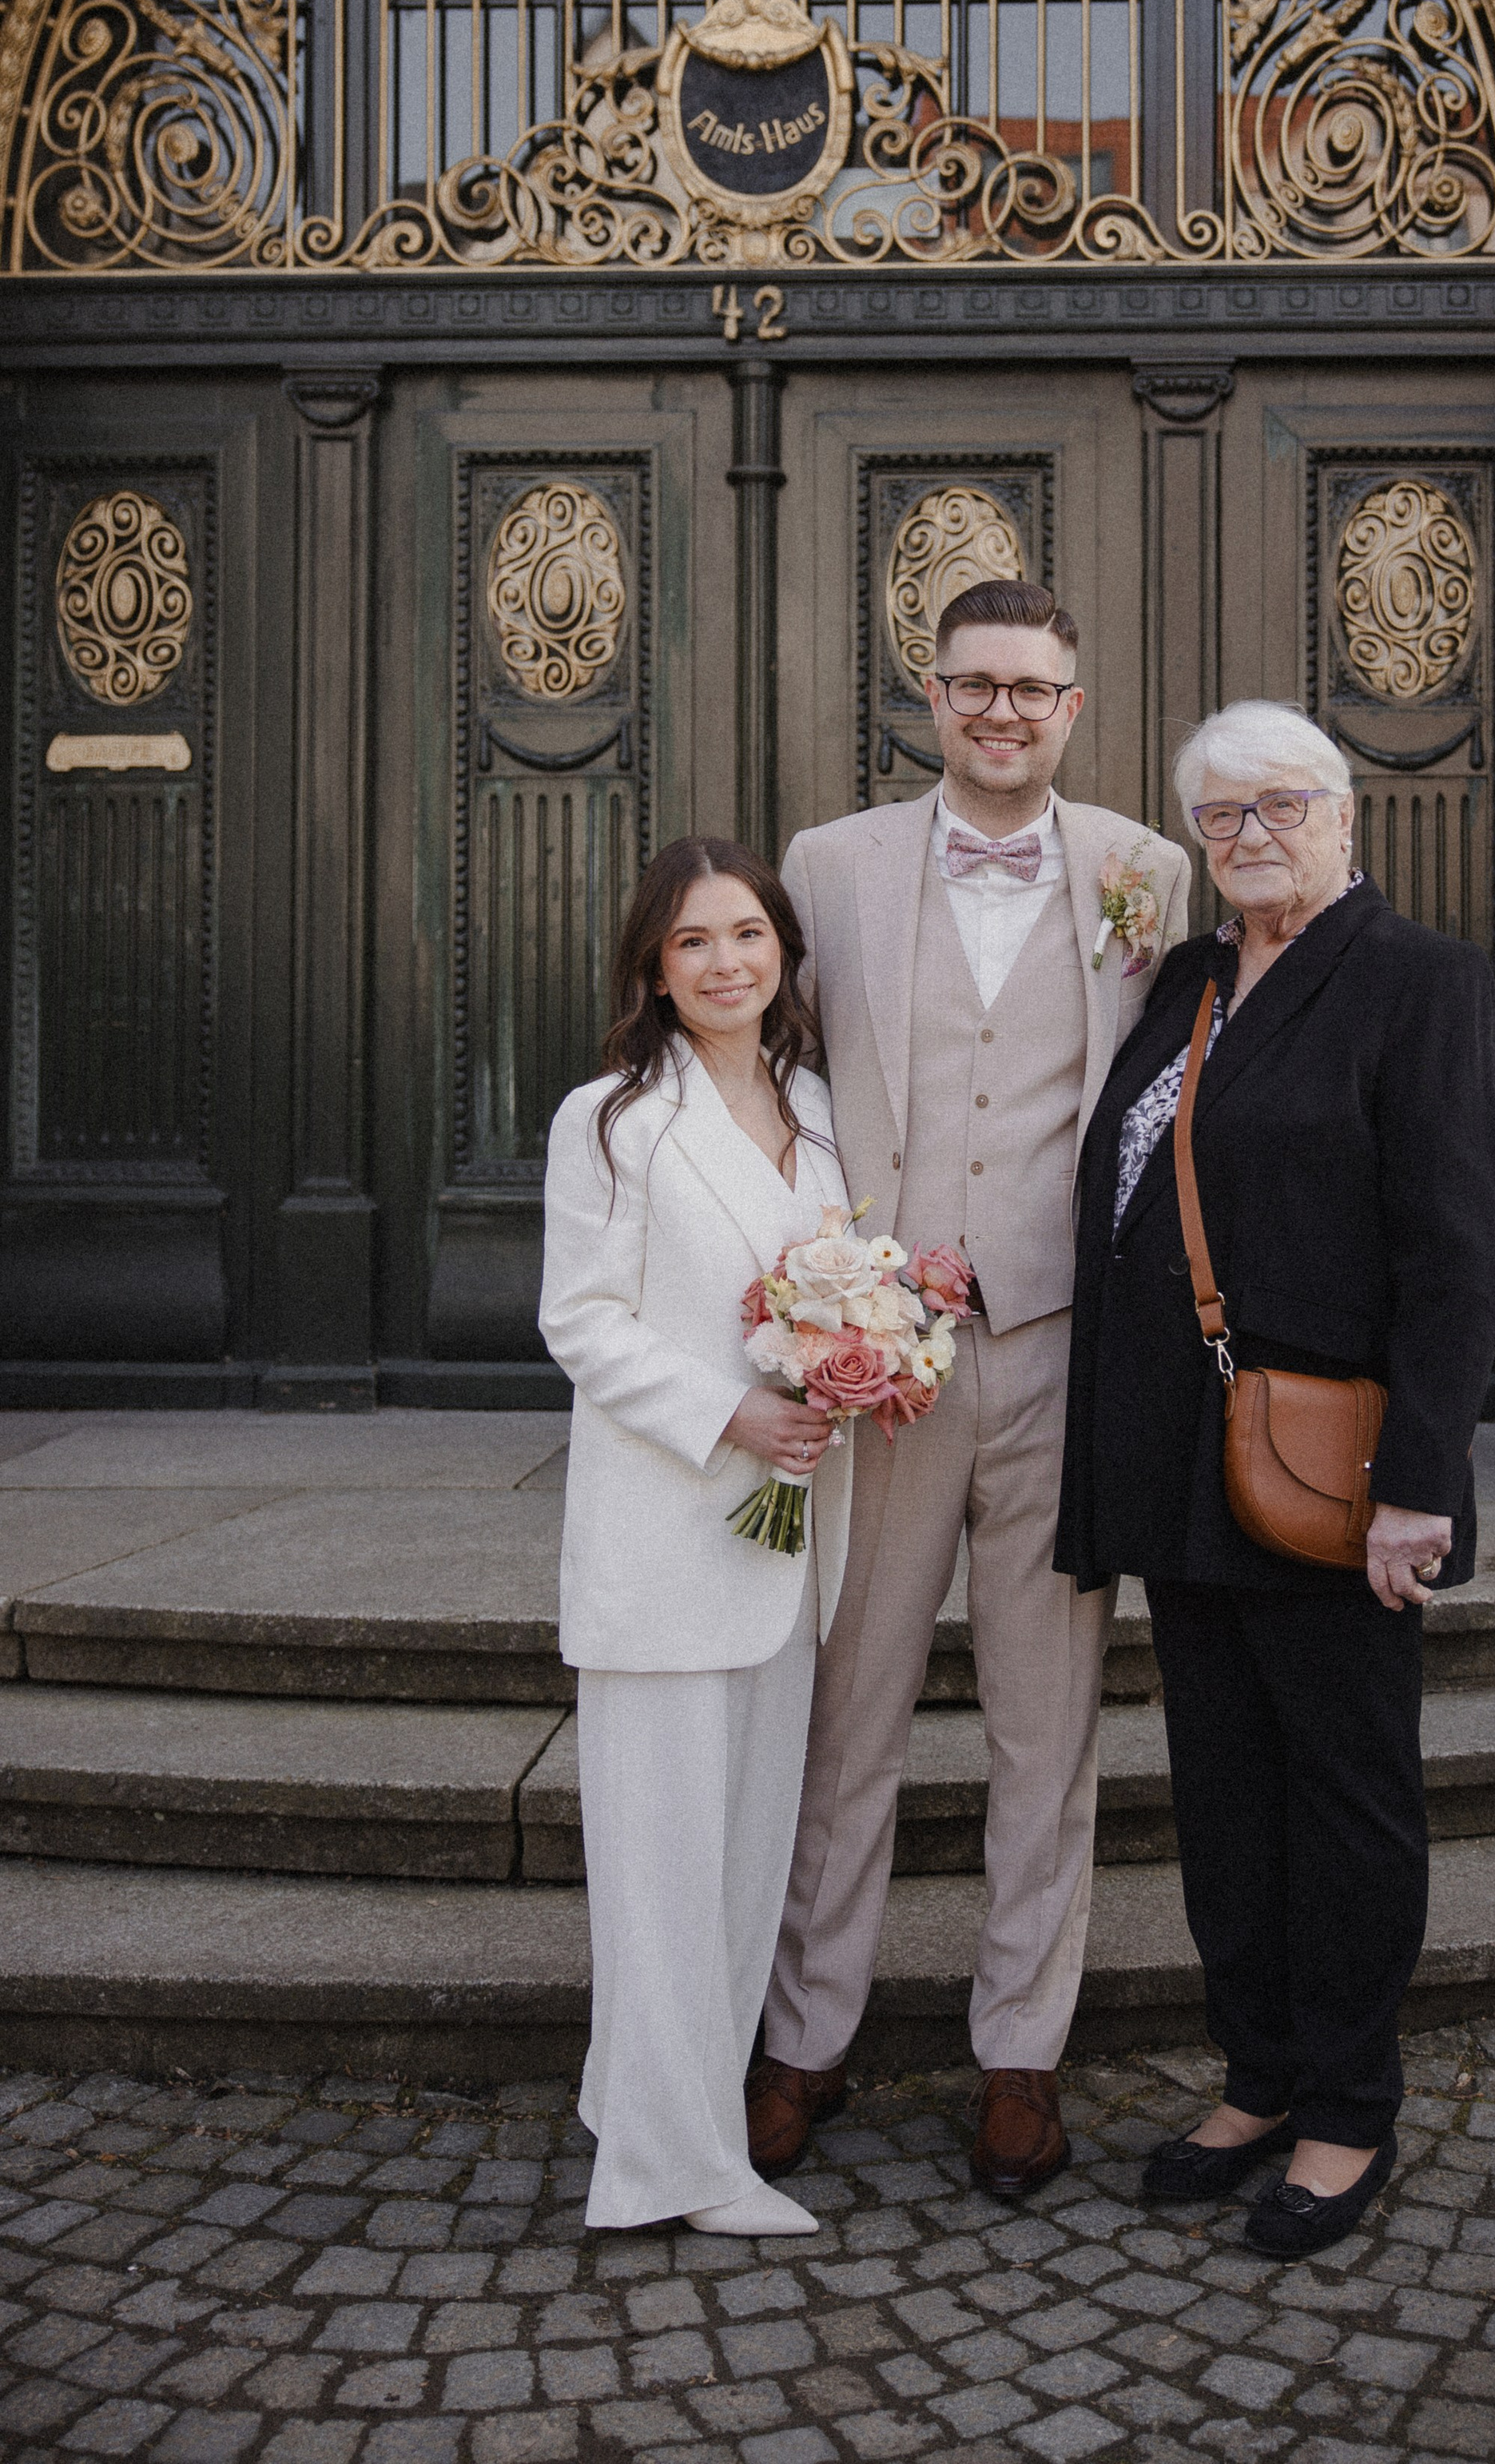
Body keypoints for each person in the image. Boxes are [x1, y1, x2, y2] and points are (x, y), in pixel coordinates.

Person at [1056, 701, 1495, 2259]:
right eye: (1220, 818)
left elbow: (1456, 1260)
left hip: (1335, 1470)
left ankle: (1344, 2107)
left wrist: (1418, 1480)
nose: (1249, 836)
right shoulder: (1186, 978)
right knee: (1223, 1791)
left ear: (1342, 816)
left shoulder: (1417, 984)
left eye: (1279, 808)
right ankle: (1255, 2074)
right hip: (1187, 1467)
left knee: (1345, 1794)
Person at [749, 579, 1191, 2197]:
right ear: (929, 697)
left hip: (1066, 1354)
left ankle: (1021, 2054)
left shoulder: (1144, 872)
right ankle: (804, 2038)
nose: (1002, 711)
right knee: (844, 1717)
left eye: (1032, 689)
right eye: (974, 685)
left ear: (1072, 707)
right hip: (884, 1366)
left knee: (1044, 1723)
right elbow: (773, 1085)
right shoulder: (829, 867)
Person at [539, 838, 855, 2236]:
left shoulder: (825, 1108)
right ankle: (672, 2173)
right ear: (655, 973)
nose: (726, 963)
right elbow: (582, 1321)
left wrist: (863, 1364)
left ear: (782, 947)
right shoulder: (608, 1119)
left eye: (746, 935)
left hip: (786, 1553)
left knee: (739, 1865)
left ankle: (661, 2100)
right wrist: (731, 1416)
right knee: (664, 1870)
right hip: (669, 1538)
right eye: (691, 944)